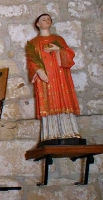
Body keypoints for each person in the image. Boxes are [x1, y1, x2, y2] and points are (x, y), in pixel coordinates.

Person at [26, 14, 81, 143]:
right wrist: (39, 72)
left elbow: (69, 54)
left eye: (49, 19)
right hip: (45, 78)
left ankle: (69, 132)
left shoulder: (58, 39)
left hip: (60, 76)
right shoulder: (33, 43)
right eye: (43, 19)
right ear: (38, 24)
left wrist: (58, 49)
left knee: (64, 98)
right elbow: (31, 61)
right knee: (48, 100)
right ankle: (51, 134)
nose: (47, 21)